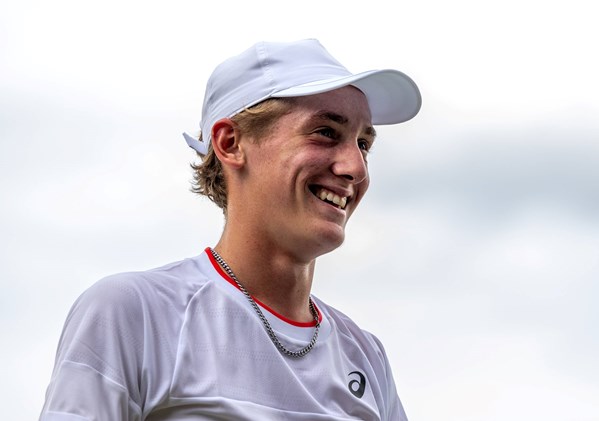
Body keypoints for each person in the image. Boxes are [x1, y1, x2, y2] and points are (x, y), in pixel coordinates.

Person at [40, 39, 421, 420]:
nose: (356, 168)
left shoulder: (367, 357)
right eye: (325, 132)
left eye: (364, 143)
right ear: (231, 143)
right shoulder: (133, 312)